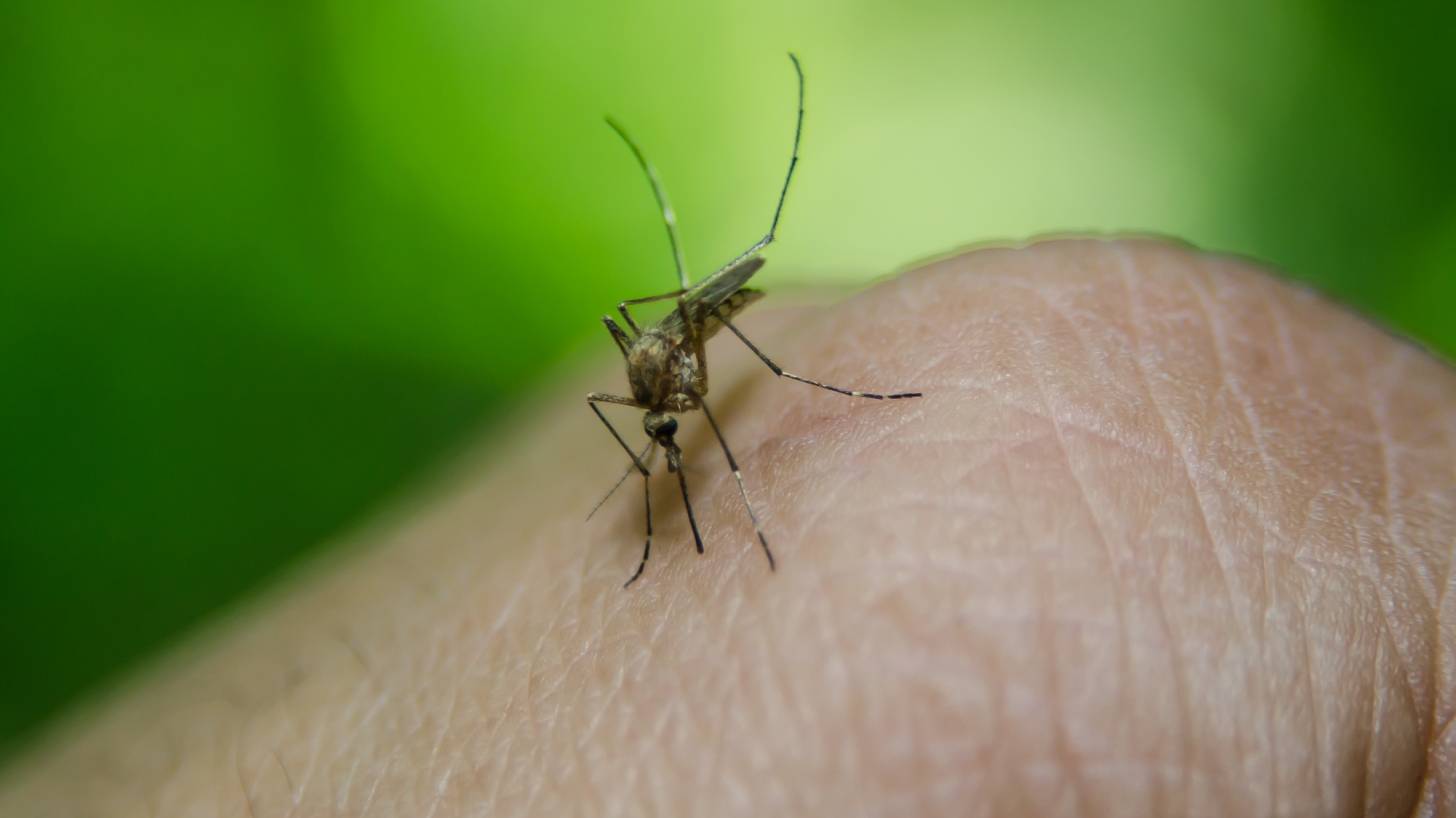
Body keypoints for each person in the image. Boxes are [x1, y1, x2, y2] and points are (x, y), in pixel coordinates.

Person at [2, 238, 1451, 816]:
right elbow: (632, 394)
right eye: (655, 405)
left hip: (716, 320)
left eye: (663, 400)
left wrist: (711, 428)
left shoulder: (691, 362)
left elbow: (680, 362)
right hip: (671, 351)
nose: (657, 412)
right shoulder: (638, 402)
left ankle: (815, 391)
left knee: (744, 376)